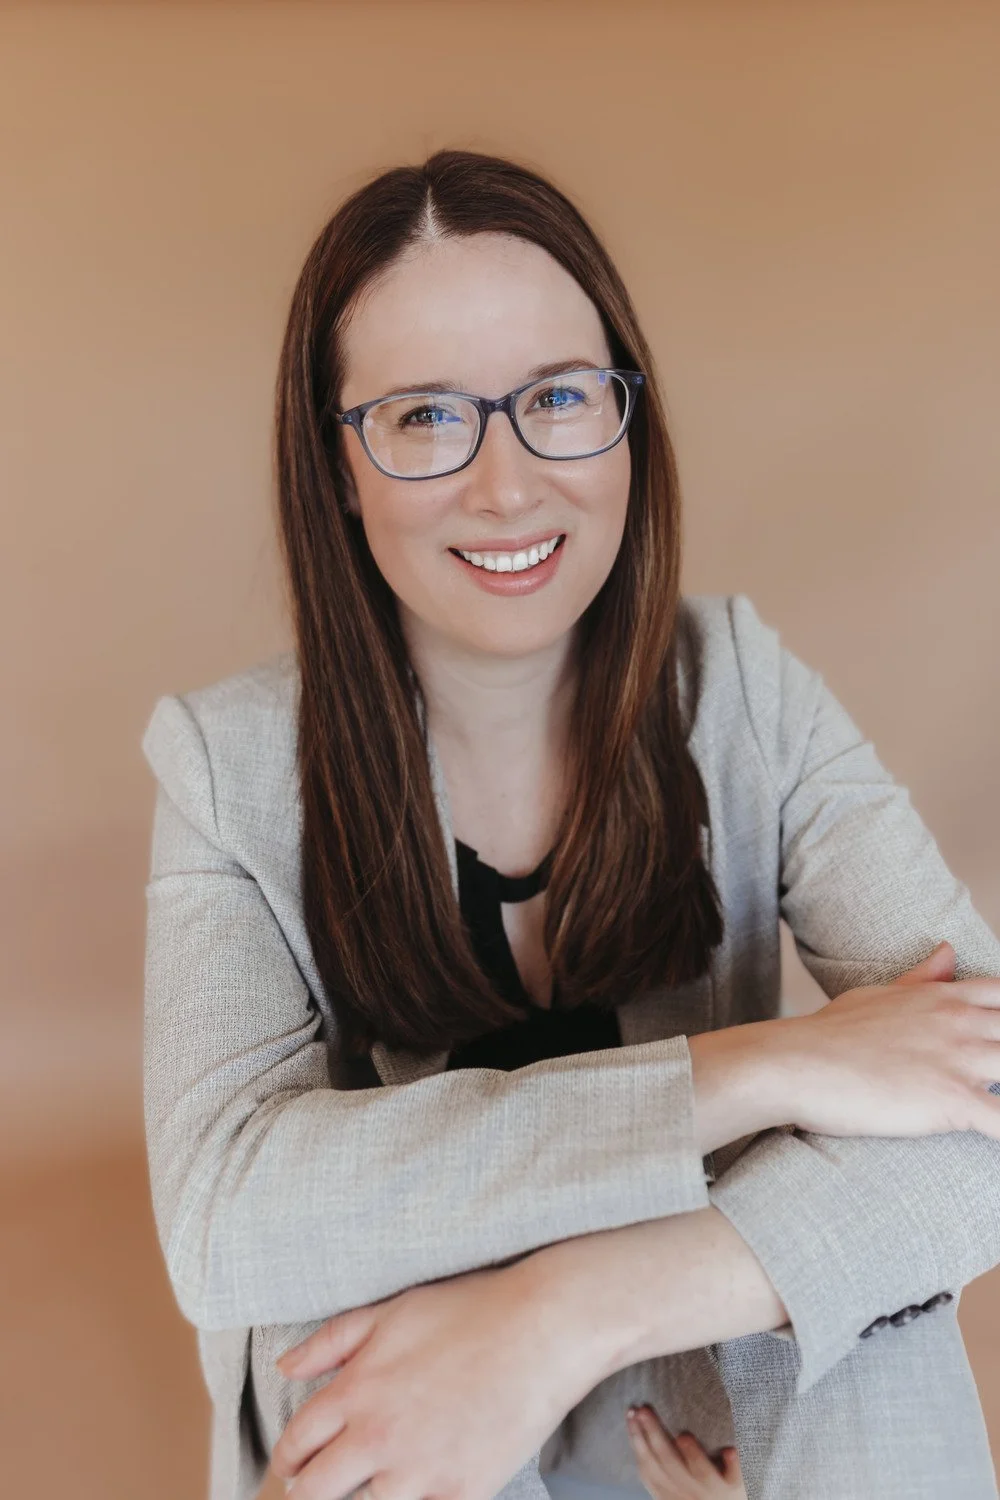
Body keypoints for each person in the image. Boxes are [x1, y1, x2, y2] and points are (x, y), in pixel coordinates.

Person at [141, 149, 1000, 1500]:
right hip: (423, 1411)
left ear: (627, 417)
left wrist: (572, 1310)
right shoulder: (230, 762)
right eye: (427, 416)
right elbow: (226, 1221)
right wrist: (761, 1070)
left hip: (680, 1378)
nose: (507, 486)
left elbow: (989, 1091)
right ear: (338, 465)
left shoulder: (742, 690)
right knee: (325, 1307)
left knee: (868, 1320)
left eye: (556, 397)